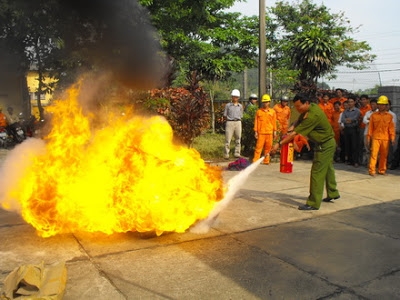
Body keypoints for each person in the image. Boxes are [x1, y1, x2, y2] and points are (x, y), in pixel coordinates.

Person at [272, 94, 340, 211]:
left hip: (324, 145)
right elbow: (298, 120)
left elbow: (294, 134)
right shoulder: (311, 107)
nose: (297, 109)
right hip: (327, 143)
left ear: (306, 103)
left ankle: (313, 203)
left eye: (299, 107)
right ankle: (333, 193)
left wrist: (279, 144)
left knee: (317, 173)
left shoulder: (313, 116)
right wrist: (292, 126)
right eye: (295, 107)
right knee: (327, 169)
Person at [366, 95, 395, 176]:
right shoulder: (373, 115)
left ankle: (382, 170)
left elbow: (391, 129)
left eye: (383, 104)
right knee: (374, 154)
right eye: (380, 104)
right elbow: (370, 128)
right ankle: (372, 170)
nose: (381, 106)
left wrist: (392, 138)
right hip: (375, 138)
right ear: (378, 105)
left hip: (385, 138)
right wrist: (368, 137)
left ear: (386, 105)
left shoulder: (390, 116)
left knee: (384, 155)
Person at [253, 94, 277, 165]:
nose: (265, 103)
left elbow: (274, 122)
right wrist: (256, 132)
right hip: (261, 133)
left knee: (268, 148)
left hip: (269, 132)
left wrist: (275, 131)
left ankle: (266, 161)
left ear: (269, 102)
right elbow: (256, 122)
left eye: (266, 102)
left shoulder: (272, 112)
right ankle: (255, 161)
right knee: (258, 148)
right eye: (264, 102)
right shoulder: (259, 112)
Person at [340, 96, 361, 167]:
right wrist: (349, 120)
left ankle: (355, 161)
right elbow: (343, 119)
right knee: (347, 145)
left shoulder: (357, 111)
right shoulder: (345, 111)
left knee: (354, 145)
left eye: (351, 101)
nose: (350, 103)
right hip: (346, 129)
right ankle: (349, 160)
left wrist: (350, 120)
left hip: (354, 129)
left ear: (354, 102)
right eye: (349, 102)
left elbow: (355, 118)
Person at [223, 89, 243, 159]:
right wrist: (228, 121)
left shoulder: (240, 106)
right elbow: (225, 115)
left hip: (238, 122)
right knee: (228, 139)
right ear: (231, 97)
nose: (235, 98)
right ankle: (226, 154)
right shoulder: (228, 105)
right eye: (234, 97)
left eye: (236, 97)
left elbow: (241, 115)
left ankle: (237, 153)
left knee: (238, 138)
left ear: (238, 98)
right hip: (230, 122)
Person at [363, 99, 378, 166]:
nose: (372, 106)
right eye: (371, 104)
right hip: (367, 132)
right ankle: (368, 162)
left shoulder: (378, 113)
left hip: (375, 134)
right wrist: (370, 121)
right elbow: (364, 120)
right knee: (367, 148)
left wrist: (370, 120)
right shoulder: (368, 112)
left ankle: (374, 163)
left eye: (374, 104)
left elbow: (377, 122)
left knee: (375, 149)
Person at [358, 95, 371, 165]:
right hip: (360, 128)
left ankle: (368, 161)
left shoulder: (370, 108)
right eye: (361, 100)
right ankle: (360, 161)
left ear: (368, 100)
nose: (363, 101)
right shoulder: (359, 109)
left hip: (368, 129)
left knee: (368, 146)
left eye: (364, 99)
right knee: (360, 145)